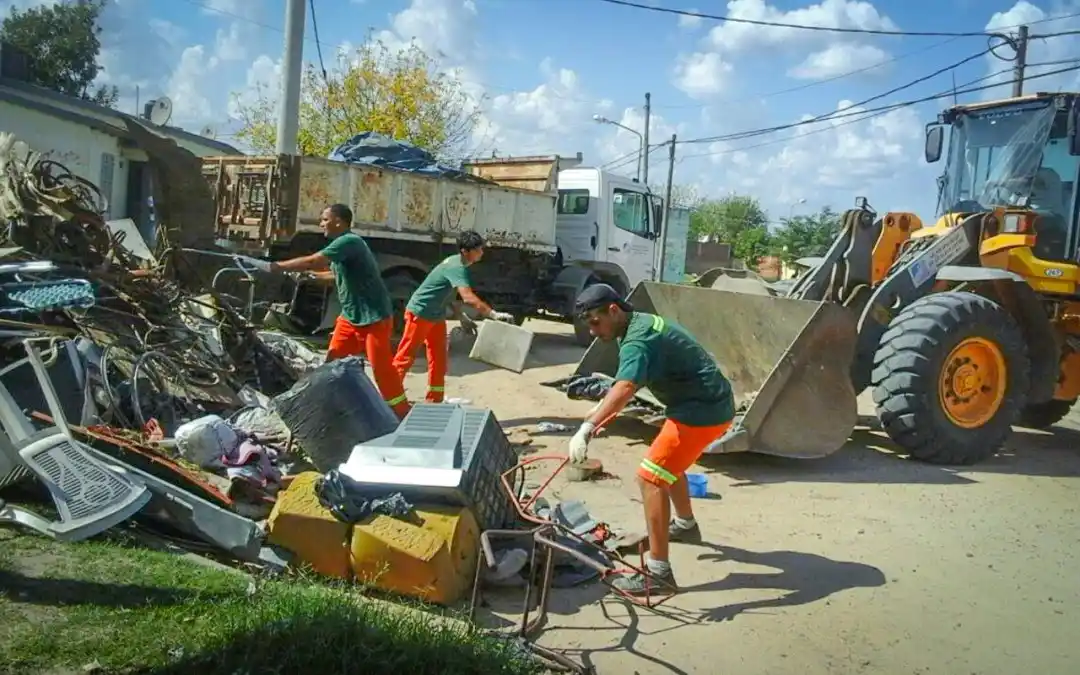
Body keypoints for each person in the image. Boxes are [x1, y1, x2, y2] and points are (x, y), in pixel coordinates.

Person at [567, 283, 734, 595]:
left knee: (650, 477)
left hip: (702, 411)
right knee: (668, 465)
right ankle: (685, 525)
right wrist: (603, 409)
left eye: (594, 321)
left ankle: (657, 574)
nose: (591, 331)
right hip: (703, 402)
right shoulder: (638, 323)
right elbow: (625, 384)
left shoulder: (637, 340)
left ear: (613, 310)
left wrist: (587, 426)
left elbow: (626, 388)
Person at [240, 203, 410, 418]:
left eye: (324, 219)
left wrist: (277, 267)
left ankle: (401, 411)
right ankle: (332, 406)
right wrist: (312, 277)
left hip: (373, 316)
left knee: (381, 368)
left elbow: (315, 260)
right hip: (350, 318)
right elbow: (335, 275)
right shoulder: (343, 246)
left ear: (338, 221)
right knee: (331, 363)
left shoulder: (350, 241)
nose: (321, 224)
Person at [392, 230, 514, 403]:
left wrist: (461, 316)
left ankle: (435, 399)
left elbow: (450, 295)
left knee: (439, 357)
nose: (481, 253)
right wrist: (493, 314)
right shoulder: (456, 267)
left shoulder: (458, 264)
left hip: (435, 315)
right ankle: (390, 397)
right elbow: (467, 297)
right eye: (478, 250)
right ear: (465, 251)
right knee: (405, 356)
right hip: (420, 313)